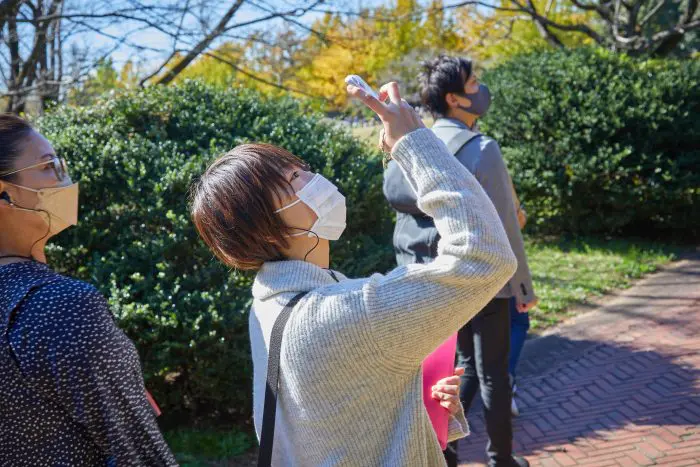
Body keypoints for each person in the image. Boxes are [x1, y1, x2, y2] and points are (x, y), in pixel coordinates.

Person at [189, 82, 517, 465]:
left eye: (303, 170)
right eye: (294, 180)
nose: (313, 179)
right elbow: (485, 256)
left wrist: (413, 398)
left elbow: (332, 426)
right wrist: (413, 142)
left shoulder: (268, 305)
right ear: (266, 230)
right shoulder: (346, 313)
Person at [382, 55, 537, 467]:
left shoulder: (410, 147)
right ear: (454, 99)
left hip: (430, 279)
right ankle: (501, 458)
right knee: (493, 372)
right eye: (472, 83)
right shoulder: (481, 149)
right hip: (482, 277)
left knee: (451, 369)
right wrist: (522, 286)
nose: (480, 89)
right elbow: (505, 225)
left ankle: (442, 452)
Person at [0, 114, 177, 466]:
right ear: (4, 195)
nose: (64, 179)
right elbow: (138, 452)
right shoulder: (61, 306)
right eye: (49, 166)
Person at [509, 185, 530, 417]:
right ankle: (506, 380)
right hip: (504, 261)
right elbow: (518, 221)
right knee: (519, 321)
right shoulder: (495, 171)